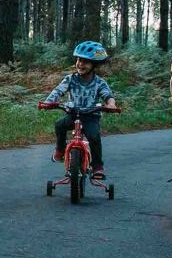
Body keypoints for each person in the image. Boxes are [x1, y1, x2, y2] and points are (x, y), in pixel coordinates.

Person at [40, 41, 120, 177]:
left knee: (94, 136)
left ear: (94, 65)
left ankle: (97, 166)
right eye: (78, 60)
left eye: (85, 62)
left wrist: (111, 105)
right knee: (59, 125)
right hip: (73, 114)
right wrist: (49, 102)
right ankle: (60, 150)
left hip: (90, 116)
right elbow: (58, 91)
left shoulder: (99, 82)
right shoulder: (70, 79)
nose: (80, 64)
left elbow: (107, 95)